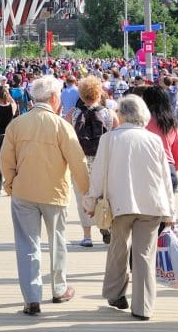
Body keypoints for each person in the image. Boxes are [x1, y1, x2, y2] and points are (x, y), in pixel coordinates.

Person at [0, 74, 90, 316]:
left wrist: (10, 185)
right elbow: (78, 162)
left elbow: (6, 160)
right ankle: (59, 289)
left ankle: (31, 298)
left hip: (24, 192)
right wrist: (87, 193)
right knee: (58, 241)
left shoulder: (17, 124)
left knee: (27, 244)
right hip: (55, 193)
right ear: (53, 97)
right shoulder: (62, 126)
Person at [83, 95, 176, 321]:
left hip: (119, 203)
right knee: (144, 255)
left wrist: (91, 201)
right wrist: (171, 210)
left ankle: (115, 293)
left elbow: (98, 173)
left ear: (121, 114)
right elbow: (165, 177)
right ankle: (143, 306)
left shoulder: (110, 139)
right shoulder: (153, 139)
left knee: (118, 248)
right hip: (152, 204)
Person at [67, 75, 115, 247]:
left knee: (83, 198)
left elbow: (66, 137)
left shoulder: (73, 113)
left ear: (81, 95)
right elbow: (117, 136)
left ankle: (87, 236)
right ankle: (106, 224)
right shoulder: (109, 114)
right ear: (98, 93)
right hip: (103, 161)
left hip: (81, 161)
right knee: (104, 196)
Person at [142, 86, 178, 192]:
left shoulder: (142, 121)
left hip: (147, 167)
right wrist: (176, 166)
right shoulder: (170, 122)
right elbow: (176, 148)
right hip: (168, 167)